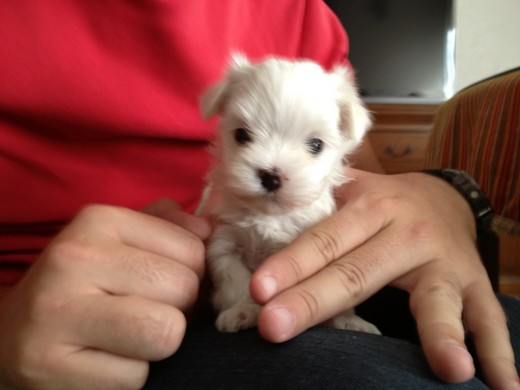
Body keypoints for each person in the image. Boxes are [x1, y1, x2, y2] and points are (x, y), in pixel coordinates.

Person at [0, 1, 517, 389]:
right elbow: (222, 250)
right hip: (74, 326)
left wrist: (444, 197)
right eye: (245, 136)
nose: (273, 168)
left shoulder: (301, 12)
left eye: (313, 145)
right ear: (221, 123)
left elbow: (365, 208)